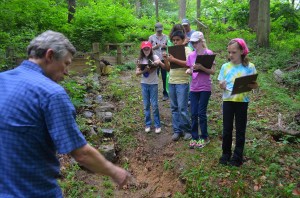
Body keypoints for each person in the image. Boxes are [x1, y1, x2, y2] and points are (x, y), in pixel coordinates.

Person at [0, 30, 131, 197]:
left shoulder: (2, 79)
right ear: (50, 55)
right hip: (34, 191)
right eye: (66, 63)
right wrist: (115, 172)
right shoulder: (51, 93)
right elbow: (81, 153)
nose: (67, 71)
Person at [218, 38, 258, 167]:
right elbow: (220, 83)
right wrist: (221, 85)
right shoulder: (225, 66)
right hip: (228, 101)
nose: (231, 55)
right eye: (229, 52)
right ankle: (226, 154)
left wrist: (254, 86)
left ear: (241, 51)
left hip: (242, 102)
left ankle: (237, 157)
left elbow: (254, 85)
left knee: (240, 129)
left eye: (234, 52)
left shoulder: (250, 67)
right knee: (227, 129)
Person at [185, 31, 215, 149]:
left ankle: (204, 136)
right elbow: (191, 70)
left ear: (201, 42)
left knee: (201, 113)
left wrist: (202, 67)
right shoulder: (191, 55)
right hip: (194, 88)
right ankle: (194, 136)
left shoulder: (208, 53)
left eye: (196, 42)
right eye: (192, 43)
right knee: (194, 113)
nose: (194, 45)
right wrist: (189, 71)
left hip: (205, 87)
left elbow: (212, 71)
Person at [162, 30, 192, 141]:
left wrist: (174, 59)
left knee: (182, 108)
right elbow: (168, 68)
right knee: (174, 108)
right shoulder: (171, 51)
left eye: (177, 40)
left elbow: (189, 64)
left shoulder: (187, 50)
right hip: (172, 82)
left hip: (182, 82)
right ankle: (177, 131)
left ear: (183, 40)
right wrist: (166, 60)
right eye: (173, 40)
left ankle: (187, 130)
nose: (175, 42)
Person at [136, 41, 164, 134]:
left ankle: (157, 125)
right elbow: (137, 73)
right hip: (144, 83)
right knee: (146, 105)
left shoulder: (155, 57)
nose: (146, 50)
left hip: (153, 84)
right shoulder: (140, 59)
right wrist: (144, 70)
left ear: (151, 49)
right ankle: (147, 124)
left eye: (148, 48)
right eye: (145, 48)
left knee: (155, 105)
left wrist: (155, 64)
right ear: (142, 49)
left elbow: (158, 62)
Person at [149, 22, 169, 101]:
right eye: (158, 30)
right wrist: (155, 47)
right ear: (155, 29)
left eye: (160, 30)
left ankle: (165, 93)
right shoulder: (151, 38)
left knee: (164, 77)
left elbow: (170, 47)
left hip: (164, 60)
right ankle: (154, 94)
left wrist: (165, 46)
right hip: (155, 60)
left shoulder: (166, 37)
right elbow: (147, 49)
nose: (159, 32)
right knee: (154, 77)